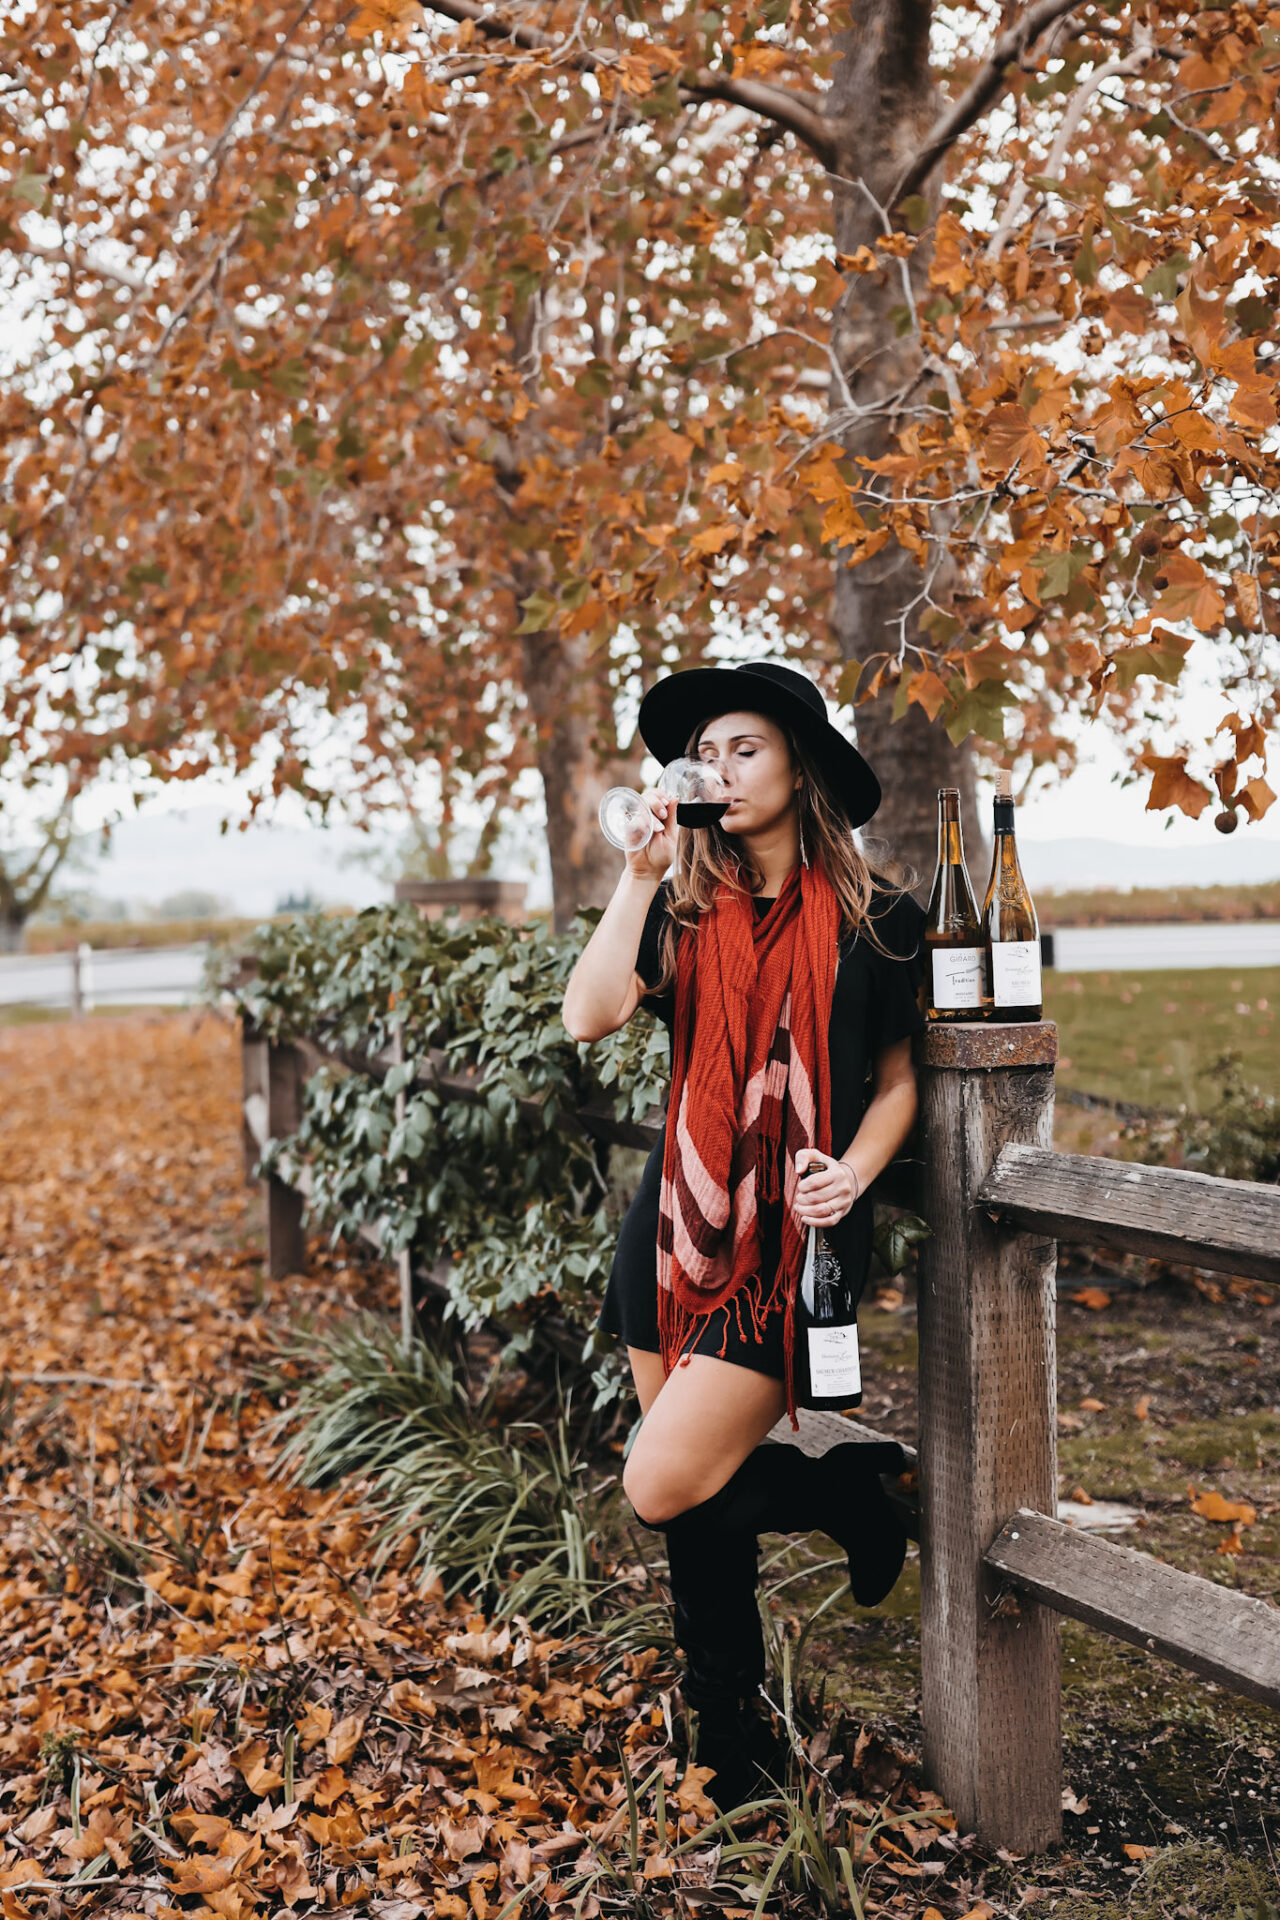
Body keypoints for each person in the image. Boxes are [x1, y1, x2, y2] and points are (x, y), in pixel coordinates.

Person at [561, 660, 927, 1811]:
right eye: (701, 754)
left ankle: (854, 1490)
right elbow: (588, 1016)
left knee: (660, 1481)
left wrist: (851, 1177)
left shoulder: (879, 919)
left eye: (742, 748)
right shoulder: (682, 910)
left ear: (799, 765)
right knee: (698, 1492)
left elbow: (896, 1083)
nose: (714, 769)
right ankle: (733, 1745)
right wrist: (638, 874)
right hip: (670, 1233)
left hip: (791, 1246)